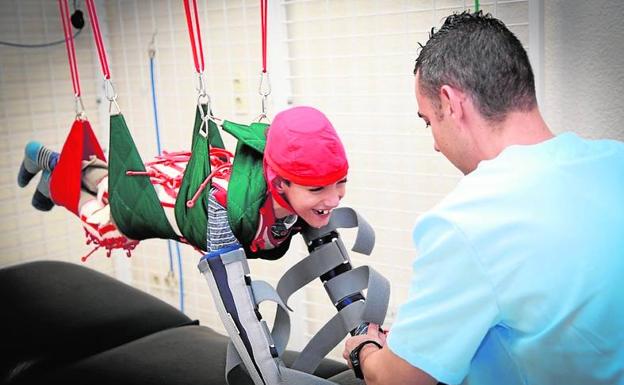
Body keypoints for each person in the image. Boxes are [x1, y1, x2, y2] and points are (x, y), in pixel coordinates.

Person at [342, 11, 624, 385]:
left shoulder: (466, 221)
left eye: (429, 122)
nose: (436, 145)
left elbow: (398, 380)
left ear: (451, 102)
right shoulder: (615, 162)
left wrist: (365, 351)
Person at [17, 106, 348, 258]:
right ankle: (54, 176)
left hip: (178, 183)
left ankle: (54, 169)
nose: (333, 199)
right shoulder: (234, 207)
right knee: (109, 225)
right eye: (317, 188)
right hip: (164, 202)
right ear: (281, 184)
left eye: (340, 183)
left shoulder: (291, 197)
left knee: (110, 186)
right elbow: (226, 275)